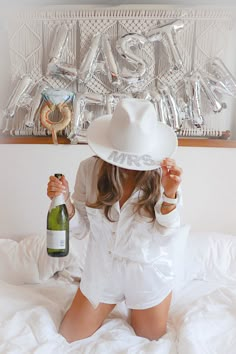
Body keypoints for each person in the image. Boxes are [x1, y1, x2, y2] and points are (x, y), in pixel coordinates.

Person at [47, 98, 183, 343]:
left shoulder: (164, 174)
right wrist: (65, 201)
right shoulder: (89, 170)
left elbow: (168, 233)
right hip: (101, 273)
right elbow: (80, 230)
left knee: (150, 339)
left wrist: (170, 194)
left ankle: (142, 306)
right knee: (68, 336)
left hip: (146, 274)